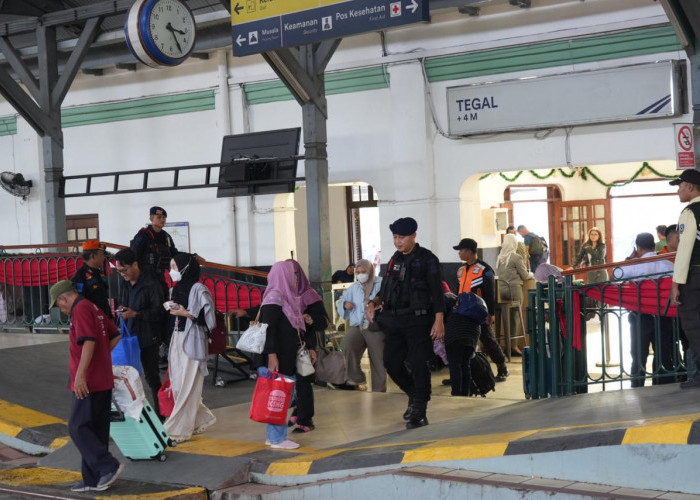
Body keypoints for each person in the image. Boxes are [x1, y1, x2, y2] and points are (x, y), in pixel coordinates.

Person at [366, 217, 445, 429]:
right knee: (391, 363)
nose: (397, 241)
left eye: (402, 237)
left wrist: (439, 320)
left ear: (413, 236)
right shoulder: (394, 259)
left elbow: (437, 292)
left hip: (418, 320)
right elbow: (386, 288)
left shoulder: (427, 259)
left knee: (419, 364)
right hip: (394, 321)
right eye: (395, 237)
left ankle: (419, 409)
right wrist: (373, 303)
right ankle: (414, 394)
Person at [49, 280, 123, 493]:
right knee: (95, 429)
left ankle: (107, 466)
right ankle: (93, 478)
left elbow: (89, 341)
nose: (61, 309)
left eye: (58, 305)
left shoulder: (80, 309)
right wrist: (100, 359)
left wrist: (81, 375)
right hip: (101, 378)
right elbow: (115, 335)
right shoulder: (93, 307)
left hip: (88, 382)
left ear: (64, 298)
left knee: (78, 426)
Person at [163, 253, 217, 443]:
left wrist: (186, 313)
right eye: (171, 267)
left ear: (185, 268)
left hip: (193, 339)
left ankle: (177, 429)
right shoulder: (176, 289)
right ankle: (200, 418)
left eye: (175, 267)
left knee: (187, 385)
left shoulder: (199, 289)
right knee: (178, 384)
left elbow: (208, 320)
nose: (172, 271)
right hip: (177, 339)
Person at [257, 260, 310, 449]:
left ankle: (276, 436)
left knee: (282, 397)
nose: (296, 278)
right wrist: (272, 356)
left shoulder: (287, 299)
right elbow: (268, 330)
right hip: (277, 359)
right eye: (293, 275)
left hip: (285, 356)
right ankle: (276, 439)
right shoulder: (274, 298)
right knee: (278, 398)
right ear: (283, 275)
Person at [614, 233, 674, 387]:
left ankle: (637, 384)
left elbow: (616, 275)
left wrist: (629, 258)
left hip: (640, 314)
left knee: (639, 352)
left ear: (638, 248)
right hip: (663, 313)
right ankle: (663, 383)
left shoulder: (634, 265)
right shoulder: (667, 263)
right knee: (663, 351)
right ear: (654, 246)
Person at [113, 249, 164, 416]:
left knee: (152, 377)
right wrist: (122, 310)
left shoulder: (151, 284)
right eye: (119, 271)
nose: (122, 274)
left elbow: (159, 312)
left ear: (135, 264)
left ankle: (160, 414)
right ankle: (132, 413)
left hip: (148, 337)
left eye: (124, 270)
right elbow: (123, 303)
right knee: (127, 376)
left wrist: (136, 314)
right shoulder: (125, 284)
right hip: (129, 336)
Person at [453, 238, 510, 379]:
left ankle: (502, 368)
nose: (459, 253)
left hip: (478, 312)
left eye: (461, 250)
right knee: (461, 343)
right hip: (462, 312)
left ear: (469, 251)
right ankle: (461, 374)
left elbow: (490, 293)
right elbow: (457, 291)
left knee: (488, 340)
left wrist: (490, 313)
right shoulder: (460, 270)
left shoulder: (485, 270)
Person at [286, 259, 327, 433]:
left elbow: (322, 322)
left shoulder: (309, 295)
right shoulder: (281, 294)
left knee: (303, 381)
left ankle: (306, 419)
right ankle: (298, 409)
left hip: (304, 345)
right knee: (290, 381)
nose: (292, 279)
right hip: (287, 344)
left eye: (295, 275)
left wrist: (310, 320)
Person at [670, 169, 700, 390]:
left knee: (694, 326)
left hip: (695, 277)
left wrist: (676, 284)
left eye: (680, 186)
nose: (678, 191)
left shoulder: (690, 212)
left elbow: (684, 250)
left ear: (690, 187)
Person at [337, 258, 386, 392]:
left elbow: (387, 298)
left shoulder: (381, 283)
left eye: (363, 271)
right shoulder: (354, 287)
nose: (360, 275)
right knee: (347, 345)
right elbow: (342, 299)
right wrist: (345, 304)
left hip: (375, 326)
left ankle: (379, 390)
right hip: (358, 325)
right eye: (358, 272)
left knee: (378, 359)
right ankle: (356, 377)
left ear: (370, 271)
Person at [496, 233, 531, 350]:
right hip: (514, 290)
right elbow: (525, 276)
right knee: (516, 317)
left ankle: (503, 345)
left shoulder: (499, 257)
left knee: (508, 317)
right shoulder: (516, 257)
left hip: (501, 291)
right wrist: (531, 274)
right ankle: (514, 346)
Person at [71, 240, 113, 321]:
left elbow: (104, 298)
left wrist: (110, 318)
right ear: (93, 256)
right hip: (90, 320)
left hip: (103, 318)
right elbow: (78, 302)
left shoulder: (100, 274)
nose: (104, 258)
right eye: (101, 255)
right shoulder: (80, 276)